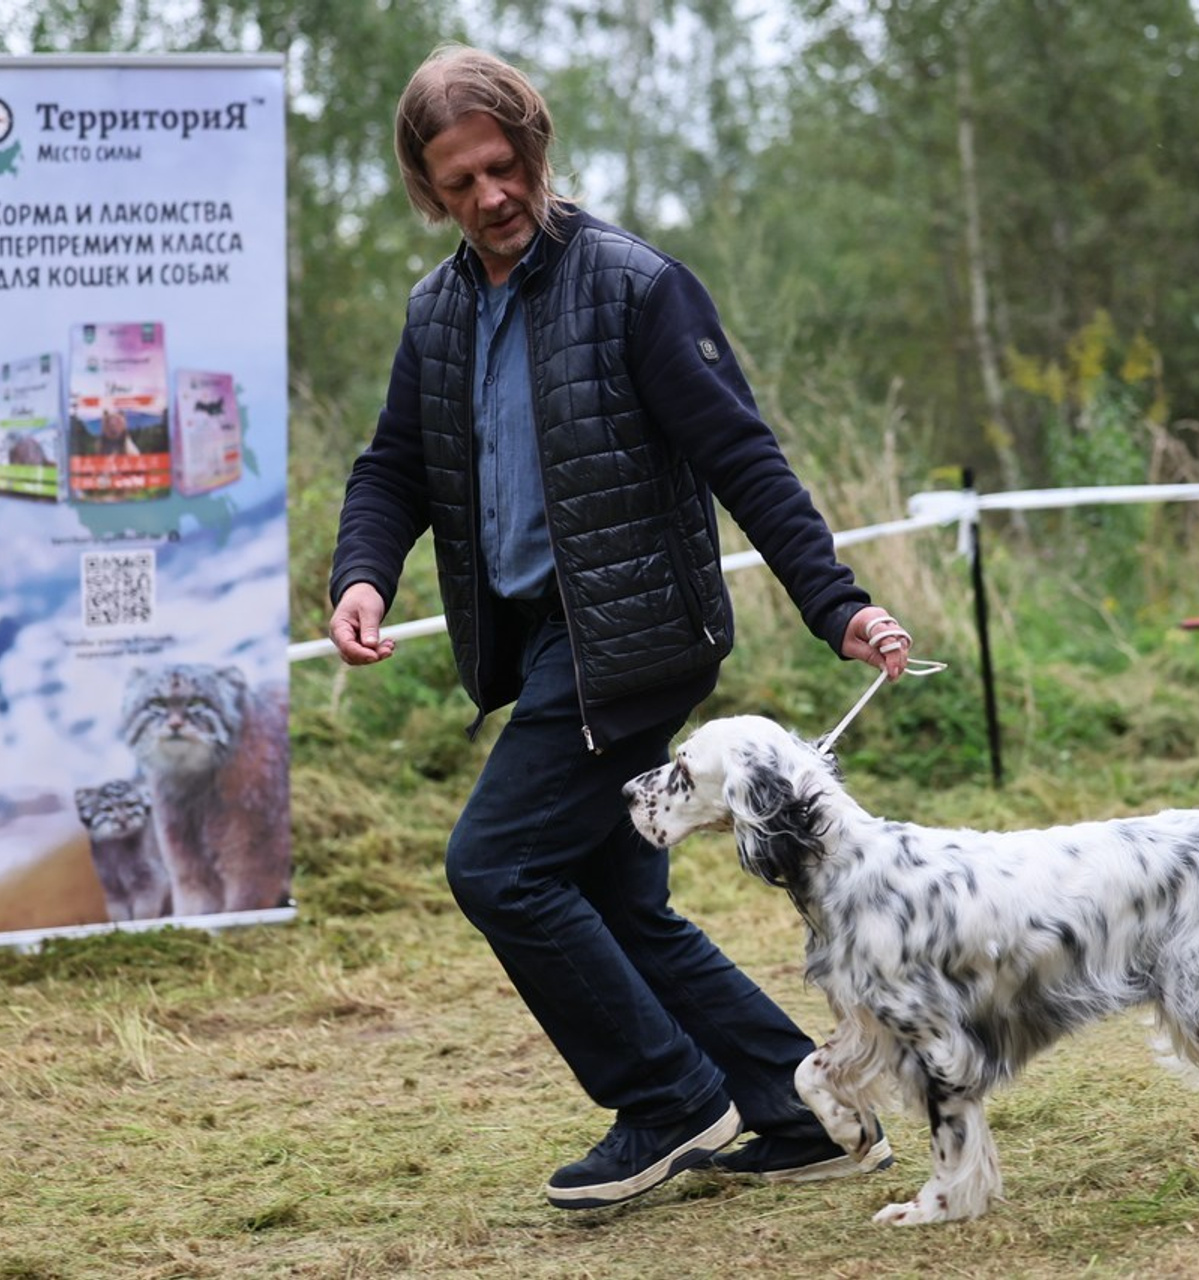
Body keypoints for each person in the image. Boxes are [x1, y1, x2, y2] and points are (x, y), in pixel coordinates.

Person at [328, 44, 915, 1212]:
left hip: (632, 639)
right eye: (459, 182)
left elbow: (739, 453)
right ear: (426, 188)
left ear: (533, 146)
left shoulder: (633, 284)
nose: (491, 196)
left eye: (503, 166)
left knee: (493, 862)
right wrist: (362, 574)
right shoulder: (436, 311)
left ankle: (662, 1095)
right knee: (611, 898)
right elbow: (392, 464)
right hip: (539, 640)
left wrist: (834, 601)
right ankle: (789, 1106)